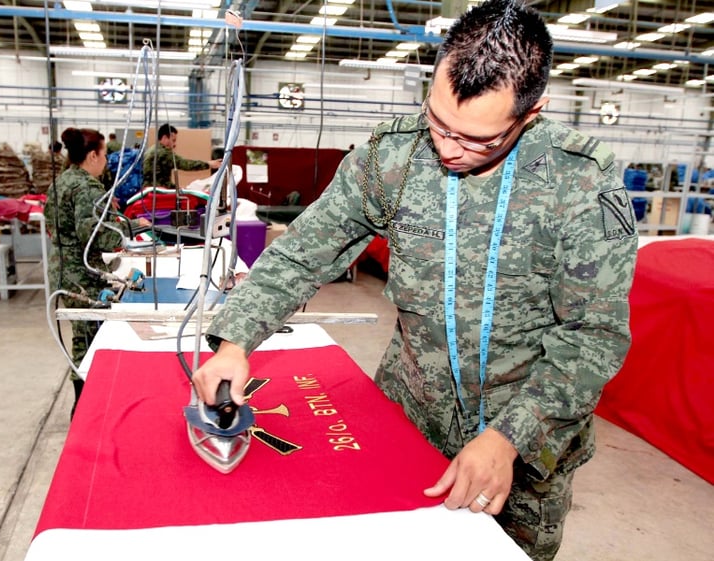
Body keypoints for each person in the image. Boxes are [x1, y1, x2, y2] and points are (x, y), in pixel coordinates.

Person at [192, 1, 637, 560]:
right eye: (438, 122)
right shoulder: (394, 157)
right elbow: (303, 253)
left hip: (525, 444)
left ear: (531, 113)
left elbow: (592, 335)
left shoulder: (580, 184)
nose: (448, 149)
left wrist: (509, 438)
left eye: (477, 140)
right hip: (407, 419)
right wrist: (236, 343)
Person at [44, 127, 150, 418]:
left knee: (83, 338)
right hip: (82, 275)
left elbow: (52, 221)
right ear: (93, 155)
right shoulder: (88, 187)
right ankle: (89, 410)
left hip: (64, 269)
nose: (106, 161)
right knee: (93, 341)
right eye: (104, 154)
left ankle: (83, 407)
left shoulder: (62, 180)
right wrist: (131, 228)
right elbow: (95, 236)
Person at [142, 123, 221, 188]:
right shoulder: (162, 153)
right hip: (158, 190)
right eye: (173, 140)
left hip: (149, 188)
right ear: (165, 138)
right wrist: (209, 164)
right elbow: (185, 164)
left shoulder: (151, 150)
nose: (174, 144)